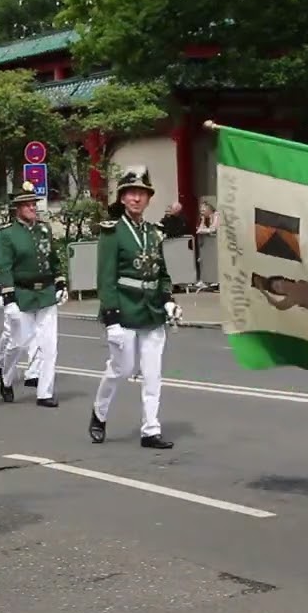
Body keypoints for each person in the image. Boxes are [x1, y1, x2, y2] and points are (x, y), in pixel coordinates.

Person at [89, 166, 183, 449]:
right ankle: (99, 412)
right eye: (131, 193)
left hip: (152, 312)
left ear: (148, 198)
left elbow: (162, 274)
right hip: (125, 311)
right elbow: (105, 279)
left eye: (142, 193)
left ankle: (150, 430)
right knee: (121, 368)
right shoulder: (113, 232)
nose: (136, 199)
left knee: (153, 375)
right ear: (122, 198)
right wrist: (112, 318)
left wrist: (168, 300)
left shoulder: (154, 233)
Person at [0, 191, 66, 407]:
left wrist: (60, 281)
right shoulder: (6, 234)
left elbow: (52, 258)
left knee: (49, 345)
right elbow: (1, 265)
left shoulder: (44, 229)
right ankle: (6, 379)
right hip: (21, 294)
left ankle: (45, 393)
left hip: (45, 293)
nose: (33, 208)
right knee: (18, 343)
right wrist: (7, 295)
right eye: (27, 205)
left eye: (34, 204)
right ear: (18, 209)